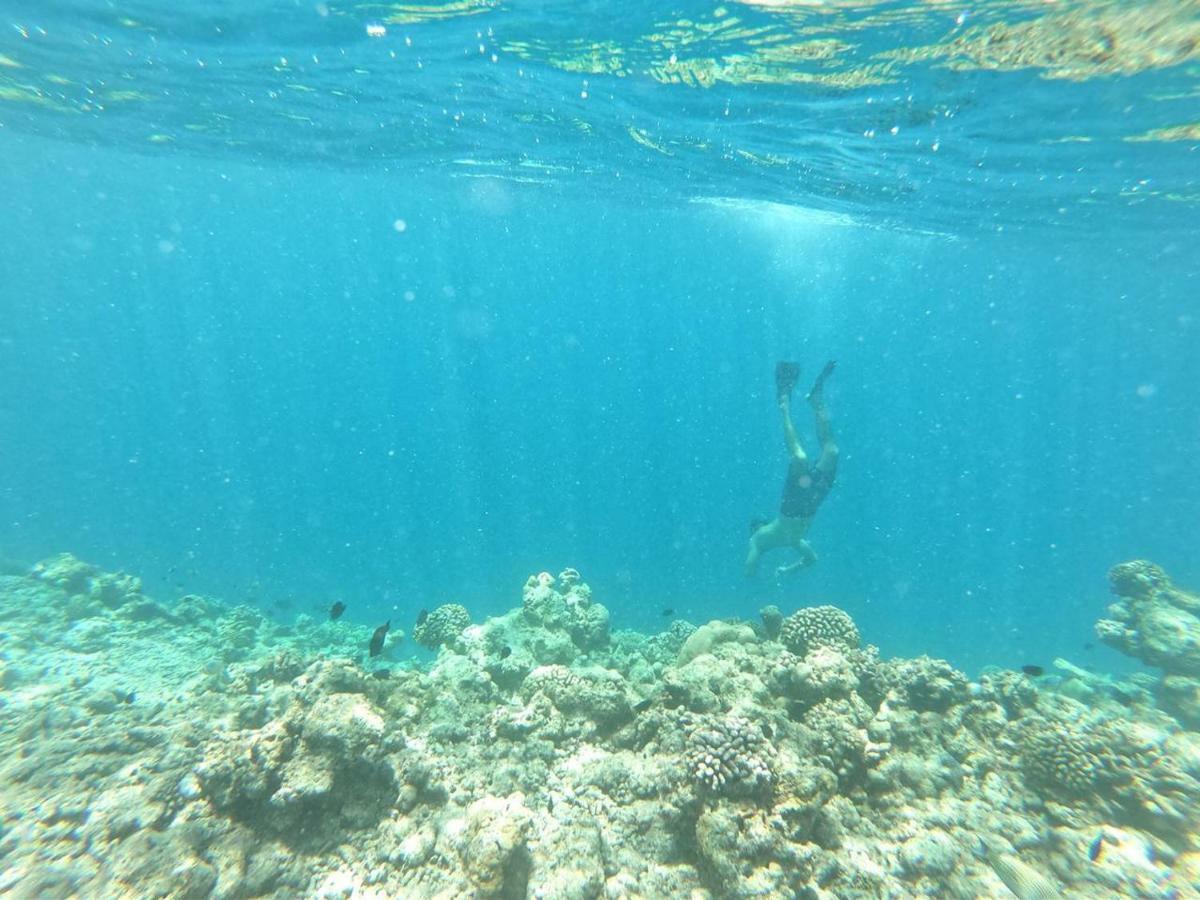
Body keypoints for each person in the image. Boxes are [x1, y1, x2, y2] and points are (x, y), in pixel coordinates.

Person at [745, 360, 838, 578]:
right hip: (812, 504)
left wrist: (752, 567)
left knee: (800, 457)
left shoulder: (758, 538)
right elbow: (811, 559)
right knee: (832, 452)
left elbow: (750, 565)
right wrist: (786, 570)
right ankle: (817, 401)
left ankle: (784, 405)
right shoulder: (794, 540)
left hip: (793, 507)